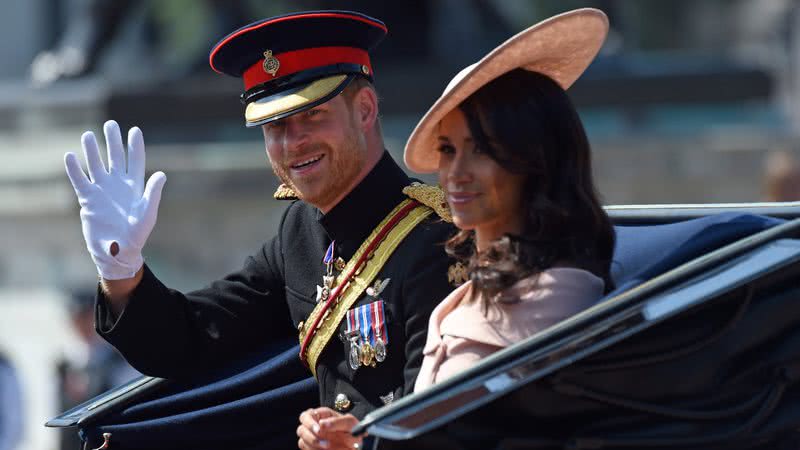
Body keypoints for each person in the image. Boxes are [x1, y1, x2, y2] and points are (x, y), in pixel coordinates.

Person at [63, 11, 456, 450]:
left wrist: (359, 442)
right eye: (275, 126)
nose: (293, 143)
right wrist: (122, 269)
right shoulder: (302, 231)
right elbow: (193, 340)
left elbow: (447, 419)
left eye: (313, 116)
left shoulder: (437, 241)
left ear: (365, 109)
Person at [402, 8, 617, 391]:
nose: (456, 173)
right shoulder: (470, 291)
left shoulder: (561, 294)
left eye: (482, 149)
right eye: (448, 149)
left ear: (535, 158)